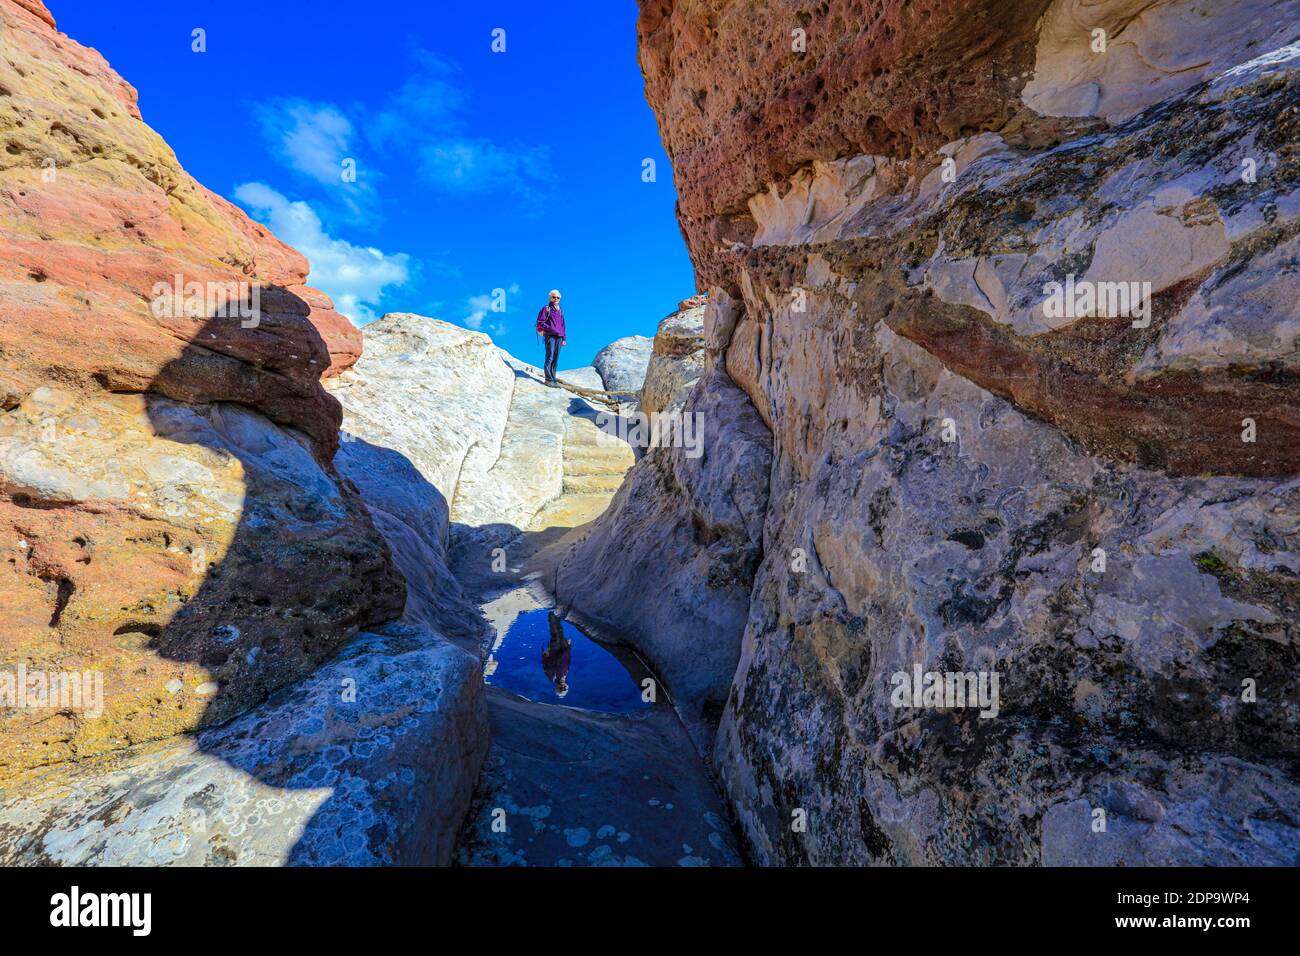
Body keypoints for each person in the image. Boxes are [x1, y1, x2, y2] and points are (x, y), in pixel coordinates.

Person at [535, 289, 566, 387]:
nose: (556, 299)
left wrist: (564, 338)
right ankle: (548, 379)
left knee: (555, 359)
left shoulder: (560, 310)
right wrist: (551, 329)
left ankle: (553, 379)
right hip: (550, 336)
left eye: (558, 297)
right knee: (550, 357)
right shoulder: (546, 308)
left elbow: (563, 325)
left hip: (559, 337)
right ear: (550, 298)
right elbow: (540, 322)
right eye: (554, 297)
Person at [541, 611, 572, 698]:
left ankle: (552, 612)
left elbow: (546, 664)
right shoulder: (565, 674)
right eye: (564, 688)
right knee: (560, 631)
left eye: (561, 688)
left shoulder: (552, 677)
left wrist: (545, 654)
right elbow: (568, 659)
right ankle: (556, 612)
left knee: (555, 632)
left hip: (555, 650)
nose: (563, 686)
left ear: (557, 687)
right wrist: (569, 647)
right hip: (564, 648)